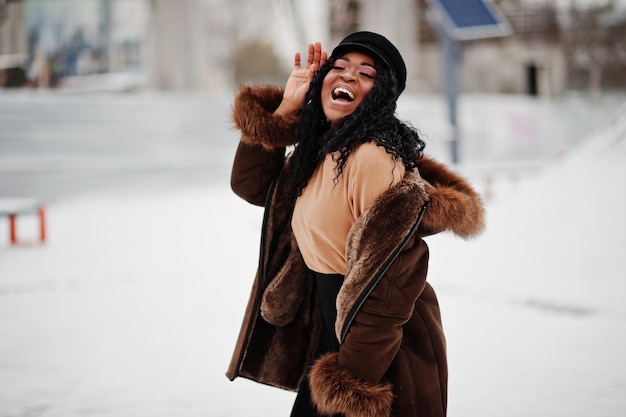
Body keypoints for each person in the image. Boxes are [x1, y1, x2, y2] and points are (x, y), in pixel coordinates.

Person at [226, 31, 485, 417]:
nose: (348, 76)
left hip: (381, 349)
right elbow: (253, 187)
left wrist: (354, 378)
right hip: (336, 339)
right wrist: (285, 109)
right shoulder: (320, 152)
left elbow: (394, 275)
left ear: (381, 96)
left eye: (366, 74)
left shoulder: (371, 158)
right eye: (340, 66)